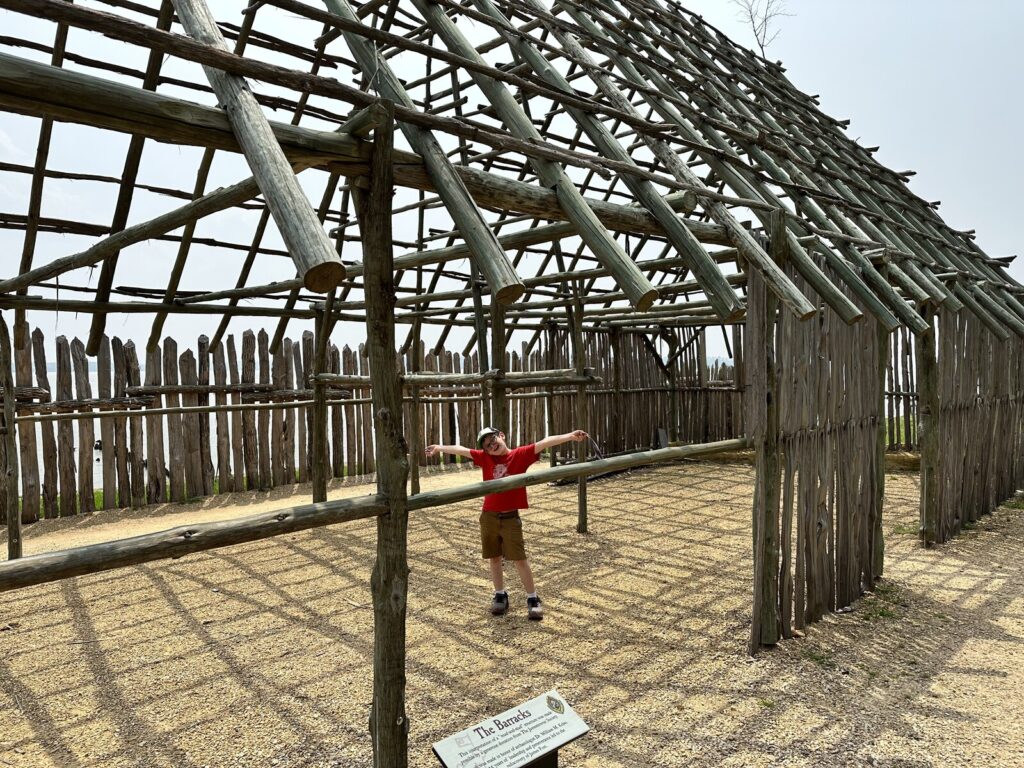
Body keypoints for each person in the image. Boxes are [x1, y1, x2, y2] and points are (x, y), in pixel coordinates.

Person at [425, 426, 588, 621]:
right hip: (489, 516)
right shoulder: (485, 458)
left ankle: (532, 598)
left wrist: (570, 436)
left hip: (510, 516)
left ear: (501, 436)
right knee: (494, 558)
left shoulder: (520, 455)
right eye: (487, 446)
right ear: (484, 451)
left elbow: (545, 442)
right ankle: (500, 594)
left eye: (493, 440)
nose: (492, 446)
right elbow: (461, 450)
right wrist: (439, 448)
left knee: (519, 558)